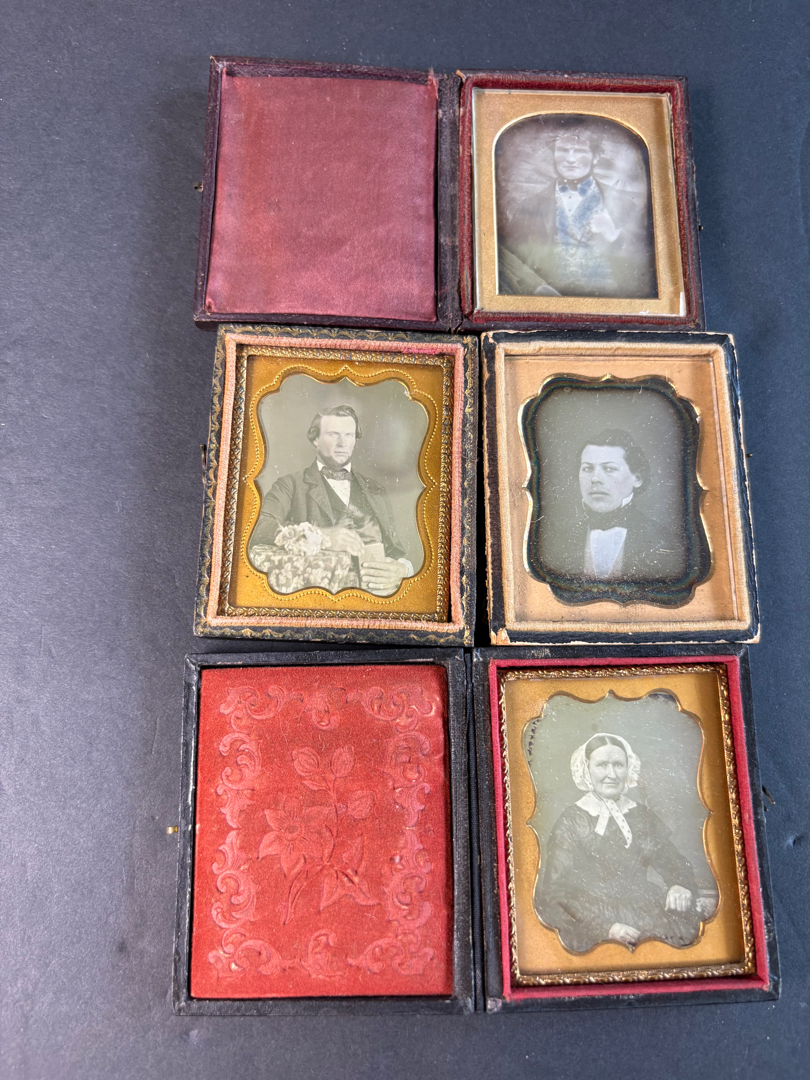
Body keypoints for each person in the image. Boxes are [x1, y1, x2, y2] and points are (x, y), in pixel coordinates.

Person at [534, 733, 702, 953]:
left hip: (648, 911)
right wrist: (605, 928)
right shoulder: (571, 821)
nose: (611, 775)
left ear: (628, 769)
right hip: (592, 920)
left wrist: (680, 885)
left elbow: (674, 862)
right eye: (602, 765)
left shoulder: (641, 815)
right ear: (587, 769)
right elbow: (554, 892)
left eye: (618, 765)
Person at [247, 404, 412, 596]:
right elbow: (257, 527)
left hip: (375, 600)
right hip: (320, 599)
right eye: (333, 434)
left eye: (349, 435)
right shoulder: (290, 485)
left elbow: (395, 553)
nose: (342, 443)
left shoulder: (376, 490)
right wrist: (321, 537)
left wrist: (403, 570)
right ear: (316, 439)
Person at [497, 125, 656, 299]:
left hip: (612, 300)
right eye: (563, 151)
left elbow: (645, 266)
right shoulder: (530, 206)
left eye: (580, 151)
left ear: (595, 156)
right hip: (551, 302)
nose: (570, 159)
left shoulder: (624, 204)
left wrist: (614, 237)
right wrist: (535, 286)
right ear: (553, 155)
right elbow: (504, 257)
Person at [552, 428, 682, 584]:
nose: (595, 478)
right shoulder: (559, 539)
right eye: (587, 468)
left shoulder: (663, 540)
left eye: (609, 469)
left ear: (637, 478)